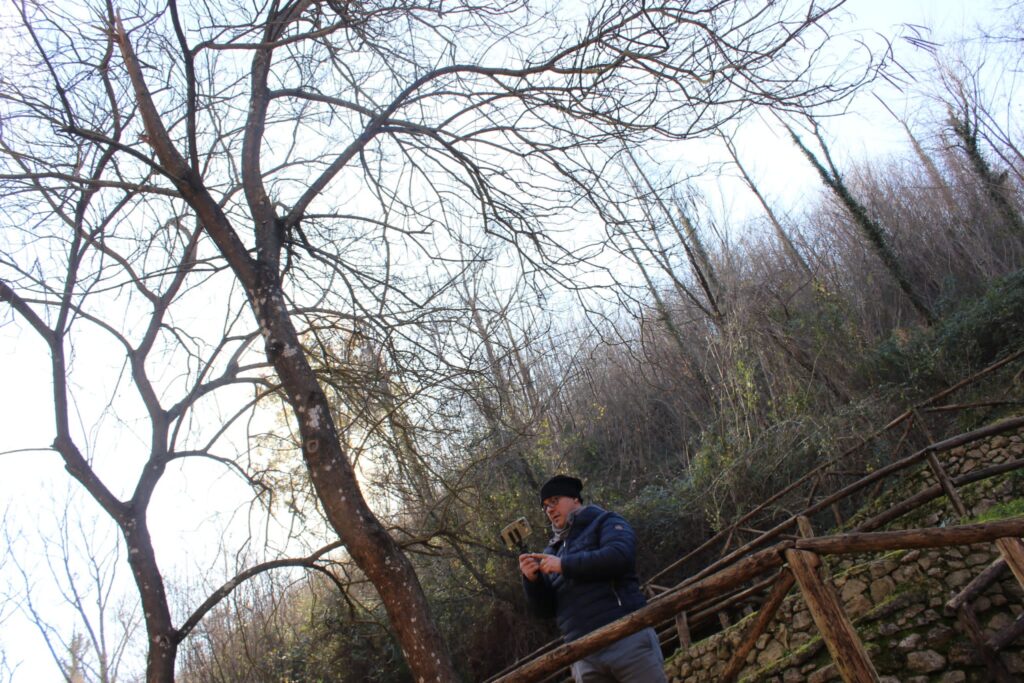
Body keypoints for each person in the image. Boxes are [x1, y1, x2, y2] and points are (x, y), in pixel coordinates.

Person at [519, 475, 667, 683]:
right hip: (583, 654)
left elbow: (619, 557)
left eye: (554, 501)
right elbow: (545, 611)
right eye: (545, 506)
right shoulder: (552, 551)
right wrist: (532, 581)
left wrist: (564, 565)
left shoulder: (605, 522)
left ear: (575, 499)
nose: (549, 510)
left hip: (626, 636)